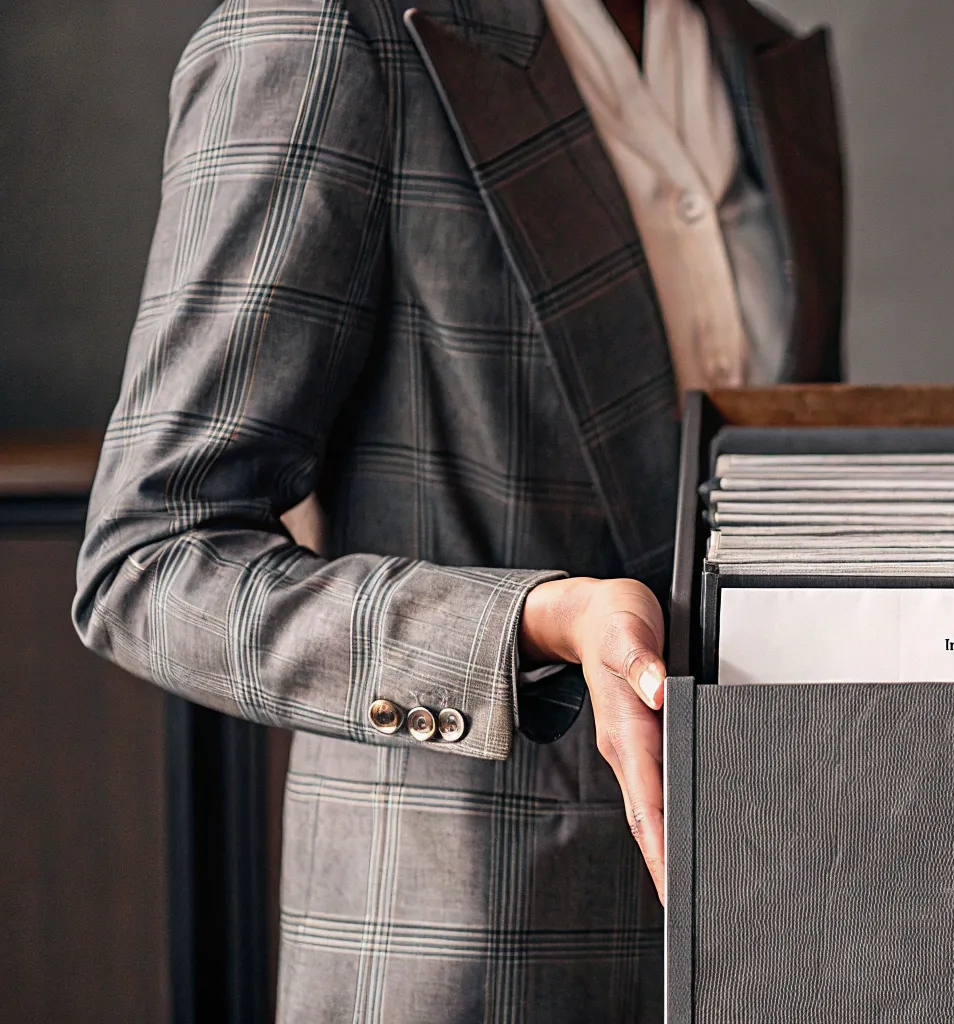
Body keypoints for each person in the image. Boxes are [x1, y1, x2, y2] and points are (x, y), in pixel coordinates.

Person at [73, 0, 843, 1018]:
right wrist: (535, 620)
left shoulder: (754, 48)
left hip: (776, 923)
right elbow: (150, 561)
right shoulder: (327, 36)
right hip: (467, 938)